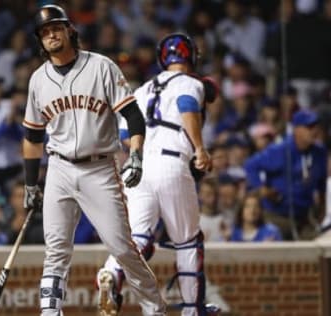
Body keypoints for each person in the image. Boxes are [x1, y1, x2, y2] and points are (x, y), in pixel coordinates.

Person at [22, 5, 166, 316]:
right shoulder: (37, 80)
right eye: (45, 32)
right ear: (40, 40)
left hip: (99, 167)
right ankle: (50, 313)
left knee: (122, 248)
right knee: (55, 251)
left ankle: (154, 308)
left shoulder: (101, 66)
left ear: (69, 30)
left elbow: (133, 115)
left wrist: (137, 155)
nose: (51, 35)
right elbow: (33, 137)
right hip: (58, 167)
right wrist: (30, 184)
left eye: (56, 28)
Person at [99, 33, 219, 316]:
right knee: (188, 240)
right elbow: (187, 106)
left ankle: (112, 273)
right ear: (190, 56)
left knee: (138, 236)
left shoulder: (142, 89)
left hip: (138, 166)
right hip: (172, 162)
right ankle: (192, 309)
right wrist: (200, 149)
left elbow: (126, 135)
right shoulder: (190, 83)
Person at [244, 109, 327, 240]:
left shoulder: (319, 152)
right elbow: (250, 165)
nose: (314, 130)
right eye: (309, 127)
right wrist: (262, 189)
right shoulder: (280, 150)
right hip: (276, 216)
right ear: (296, 129)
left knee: (314, 253)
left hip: (304, 217)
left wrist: (322, 205)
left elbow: (321, 182)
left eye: (315, 126)